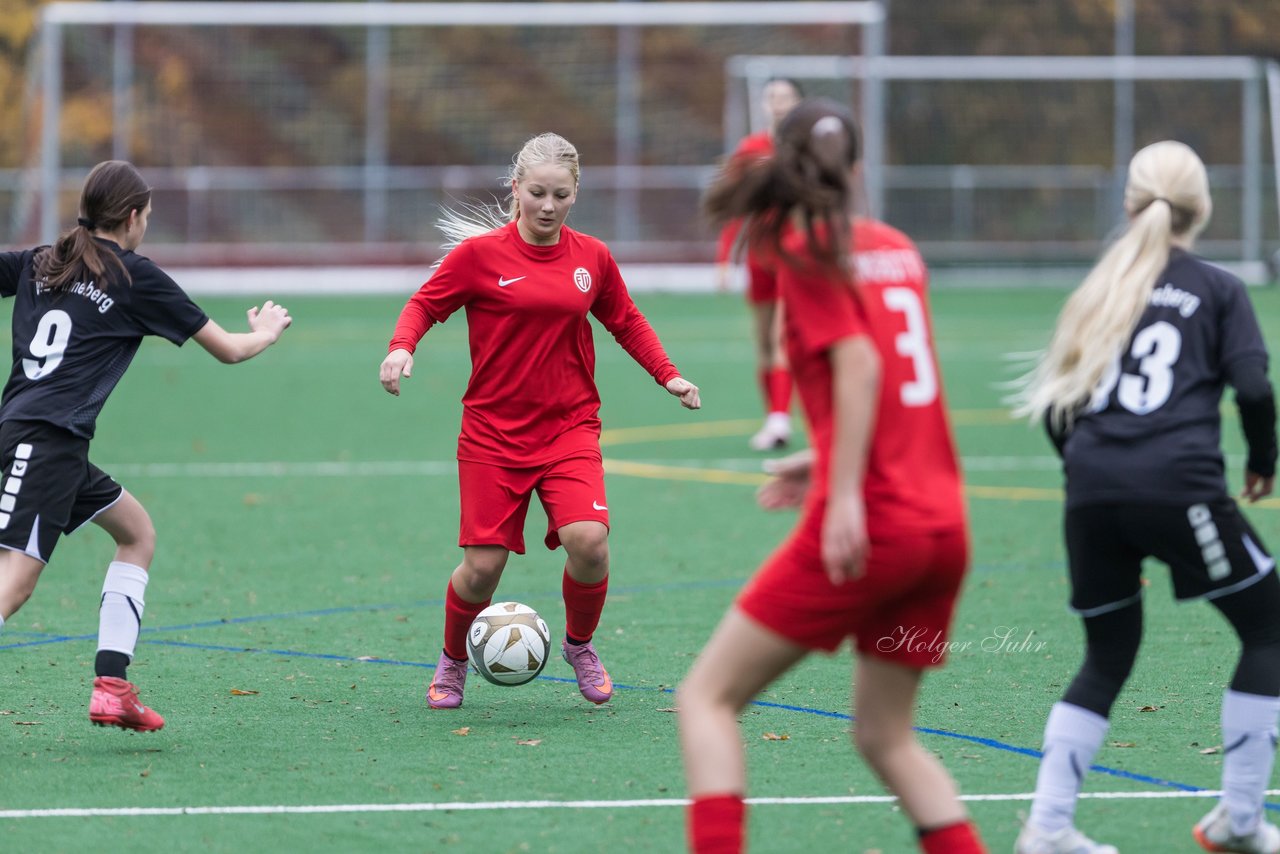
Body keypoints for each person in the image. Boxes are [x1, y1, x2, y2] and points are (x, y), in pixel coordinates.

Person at [677, 99, 986, 854]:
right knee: (886, 736)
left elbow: (861, 365)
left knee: (704, 699)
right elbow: (903, 389)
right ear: (858, 169)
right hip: (942, 528)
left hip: (874, 524)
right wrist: (822, 459)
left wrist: (841, 493)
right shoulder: (897, 248)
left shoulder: (804, 251)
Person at [1010, 140, 1280, 854]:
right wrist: (1263, 461)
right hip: (1180, 487)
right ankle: (1241, 820)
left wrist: (1096, 483)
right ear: (1204, 208)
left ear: (1130, 206)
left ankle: (1047, 828)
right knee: (1269, 629)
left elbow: (1057, 409)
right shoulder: (1217, 288)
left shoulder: (1101, 286)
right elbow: (1254, 389)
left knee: (1107, 654)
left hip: (1092, 492)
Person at [379, 132, 701, 710]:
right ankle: (452, 660)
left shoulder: (592, 257)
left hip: (568, 427)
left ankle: (580, 646)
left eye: (560, 195)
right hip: (492, 433)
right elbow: (425, 303)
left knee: (590, 542)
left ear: (576, 194)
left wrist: (668, 375)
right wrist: (402, 347)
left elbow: (626, 321)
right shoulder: (479, 256)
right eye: (537, 194)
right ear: (516, 189)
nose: (548, 206)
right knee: (482, 568)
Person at [0, 160, 292, 732]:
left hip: (44, 441)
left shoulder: (44, 260)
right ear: (132, 217)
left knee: (136, 534)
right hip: (45, 443)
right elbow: (229, 349)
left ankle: (112, 687)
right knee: (15, 579)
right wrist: (266, 332)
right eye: (148, 216)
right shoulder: (134, 276)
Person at [714, 77, 804, 451]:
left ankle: (781, 420)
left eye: (786, 96)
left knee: (783, 339)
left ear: (798, 102)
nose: (778, 103)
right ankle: (773, 417)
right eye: (772, 97)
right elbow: (736, 206)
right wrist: (725, 258)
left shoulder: (805, 148)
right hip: (759, 256)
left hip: (794, 257)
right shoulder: (750, 149)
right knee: (764, 341)